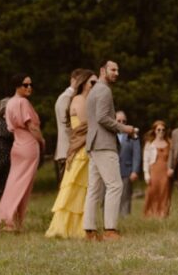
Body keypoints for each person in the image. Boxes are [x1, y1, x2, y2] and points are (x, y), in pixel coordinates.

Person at [83, 60, 136, 241]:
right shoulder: (104, 90)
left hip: (93, 144)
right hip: (104, 144)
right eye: (113, 69)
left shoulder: (93, 91)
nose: (116, 73)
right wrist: (124, 129)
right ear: (102, 70)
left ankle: (90, 231)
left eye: (118, 70)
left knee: (94, 189)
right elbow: (103, 118)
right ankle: (110, 230)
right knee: (115, 185)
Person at [46, 71, 96, 239]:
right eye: (92, 83)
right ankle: (69, 228)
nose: (95, 86)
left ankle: (82, 227)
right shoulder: (80, 100)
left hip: (84, 148)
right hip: (81, 150)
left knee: (84, 189)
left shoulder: (86, 100)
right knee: (76, 188)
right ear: (83, 84)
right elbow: (87, 125)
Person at [0, 74, 43, 232]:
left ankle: (11, 222)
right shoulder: (22, 102)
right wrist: (42, 141)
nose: (29, 87)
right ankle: (8, 222)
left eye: (30, 84)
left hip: (17, 145)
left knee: (14, 184)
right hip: (28, 145)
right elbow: (32, 127)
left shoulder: (9, 103)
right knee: (22, 186)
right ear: (17, 86)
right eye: (25, 85)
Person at [54, 69, 87, 185]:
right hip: (67, 150)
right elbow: (67, 124)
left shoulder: (72, 98)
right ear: (73, 80)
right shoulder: (66, 98)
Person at [142, 120, 171, 218]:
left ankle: (163, 214)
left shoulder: (169, 143)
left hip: (165, 171)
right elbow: (145, 160)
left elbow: (171, 158)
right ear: (154, 130)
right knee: (152, 192)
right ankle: (151, 214)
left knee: (164, 192)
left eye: (163, 130)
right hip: (154, 170)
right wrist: (146, 174)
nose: (161, 132)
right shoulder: (150, 144)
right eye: (159, 130)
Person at [116, 111, 142, 217]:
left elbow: (137, 154)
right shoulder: (109, 134)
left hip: (126, 170)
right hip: (111, 170)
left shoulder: (132, 136)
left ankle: (125, 218)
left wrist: (135, 171)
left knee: (125, 197)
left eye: (124, 121)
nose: (122, 122)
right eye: (119, 121)